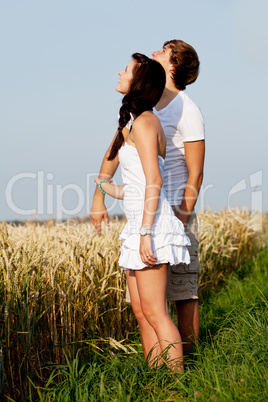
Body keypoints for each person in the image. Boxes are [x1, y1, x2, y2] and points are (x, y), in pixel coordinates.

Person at [90, 40, 205, 353]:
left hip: (166, 215)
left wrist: (177, 219)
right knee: (144, 310)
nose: (156, 51)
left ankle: (185, 373)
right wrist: (100, 194)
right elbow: (117, 159)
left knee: (179, 297)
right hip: (145, 215)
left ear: (173, 66)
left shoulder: (183, 112)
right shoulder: (137, 116)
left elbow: (192, 174)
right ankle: (160, 378)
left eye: (164, 50)